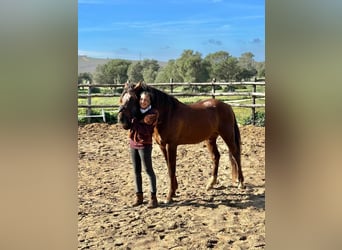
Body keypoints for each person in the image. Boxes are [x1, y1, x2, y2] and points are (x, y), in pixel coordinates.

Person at [129, 91, 159, 208]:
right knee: (136, 171)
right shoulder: (135, 111)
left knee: (148, 170)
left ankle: (153, 198)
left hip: (144, 144)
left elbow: (144, 129)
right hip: (133, 143)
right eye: (141, 99)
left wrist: (133, 120)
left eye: (146, 100)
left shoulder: (153, 113)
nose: (143, 102)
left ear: (150, 102)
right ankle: (139, 196)